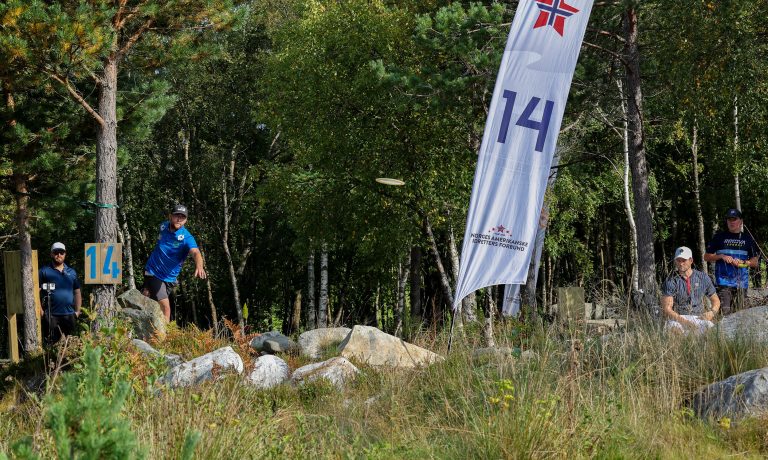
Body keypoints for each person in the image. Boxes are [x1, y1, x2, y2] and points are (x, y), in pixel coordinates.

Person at [142, 204, 206, 322]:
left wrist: (199, 265)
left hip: (169, 278)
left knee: (149, 302)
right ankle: (165, 334)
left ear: (186, 220)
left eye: (183, 217)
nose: (179, 219)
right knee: (166, 308)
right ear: (170, 216)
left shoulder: (186, 237)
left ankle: (147, 328)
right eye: (177, 216)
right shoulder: (163, 226)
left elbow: (196, 252)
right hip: (153, 271)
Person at [704, 208, 758, 315]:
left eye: (734, 219)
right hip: (723, 283)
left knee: (741, 315)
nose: (731, 222)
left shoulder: (748, 238)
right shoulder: (719, 237)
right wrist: (721, 256)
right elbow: (706, 257)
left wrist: (744, 263)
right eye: (729, 219)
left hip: (741, 284)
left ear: (741, 221)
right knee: (725, 314)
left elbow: (755, 262)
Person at [662, 246, 720, 334]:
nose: (681, 263)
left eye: (684, 260)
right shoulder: (670, 280)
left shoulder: (703, 277)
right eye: (678, 260)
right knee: (674, 330)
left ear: (691, 260)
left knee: (712, 331)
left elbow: (716, 300)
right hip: (678, 318)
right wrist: (685, 322)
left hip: (699, 317)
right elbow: (667, 309)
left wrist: (712, 312)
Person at [39, 242, 82, 344]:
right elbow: (36, 292)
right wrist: (41, 312)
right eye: (56, 252)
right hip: (51, 316)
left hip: (69, 315)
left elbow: (77, 292)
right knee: (51, 346)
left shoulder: (72, 272)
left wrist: (77, 311)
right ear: (51, 254)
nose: (59, 255)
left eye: (61, 252)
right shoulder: (44, 271)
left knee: (70, 346)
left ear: (65, 254)